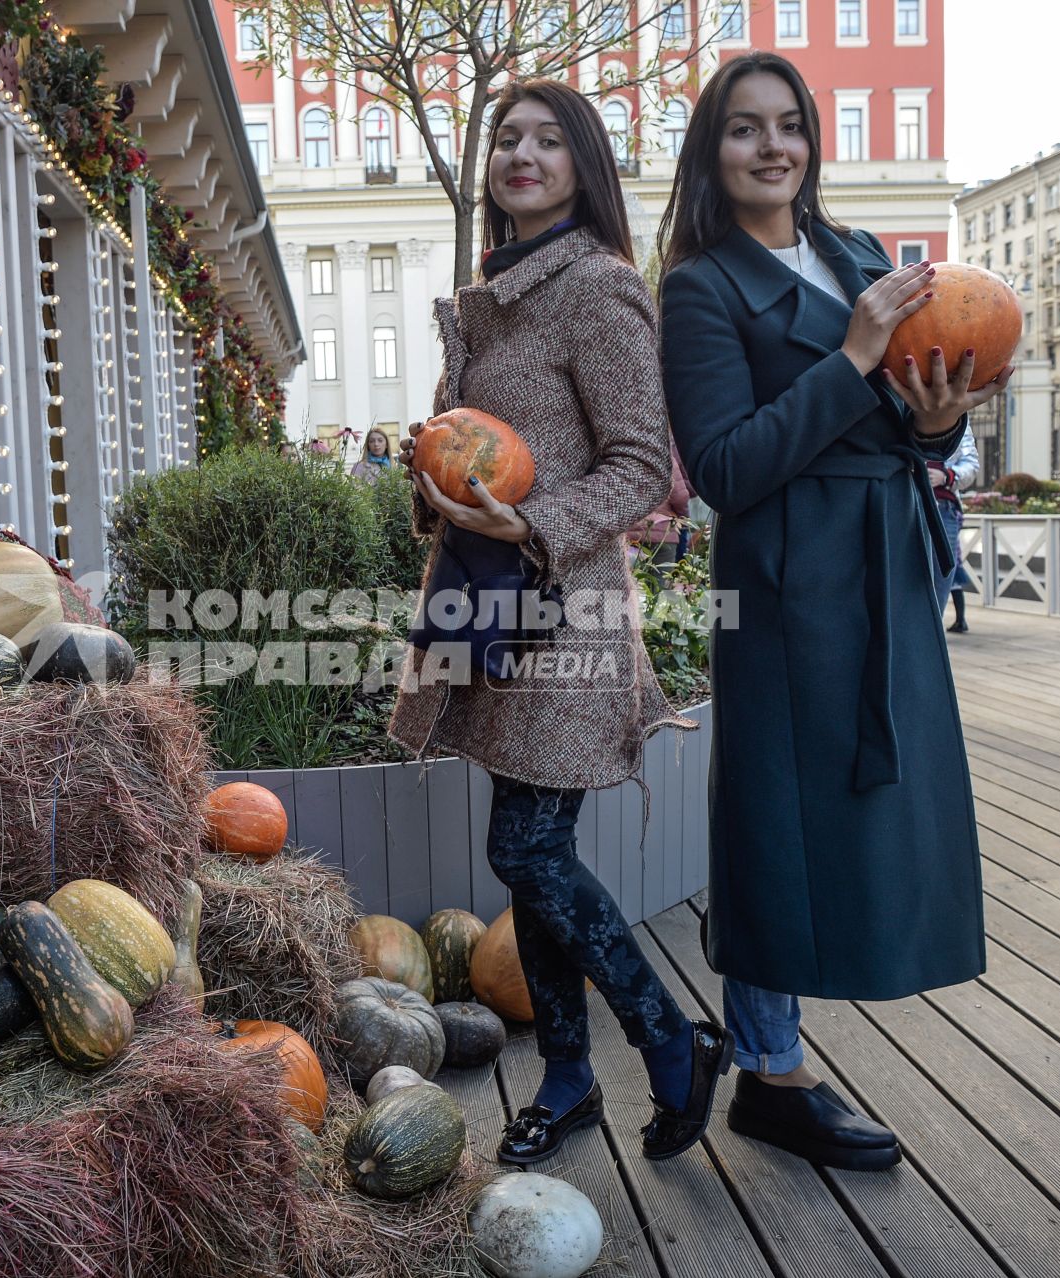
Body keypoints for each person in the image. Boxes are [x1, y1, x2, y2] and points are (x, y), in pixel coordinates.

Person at [657, 51, 1005, 1171]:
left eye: (791, 126)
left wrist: (940, 420)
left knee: (886, 802)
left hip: (888, 563)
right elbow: (723, 467)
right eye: (746, 128)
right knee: (774, 815)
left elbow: (915, 422)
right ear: (713, 151)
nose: (774, 147)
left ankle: (796, 1037)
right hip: (780, 576)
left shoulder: (857, 254)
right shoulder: (700, 286)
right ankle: (772, 1069)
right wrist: (853, 356)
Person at [388, 77, 729, 1169]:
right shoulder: (494, 293)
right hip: (494, 603)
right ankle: (570, 1080)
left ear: (584, 164)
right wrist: (435, 478)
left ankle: (667, 1037)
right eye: (507, 138)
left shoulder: (598, 288)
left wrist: (528, 517)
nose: (521, 154)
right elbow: (484, 448)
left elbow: (640, 470)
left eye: (547, 140)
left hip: (563, 608)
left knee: (523, 847)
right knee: (536, 860)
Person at [929, 428, 980, 632]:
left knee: (943, 573)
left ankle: (932, 637)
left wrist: (946, 476)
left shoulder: (959, 420)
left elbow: (971, 465)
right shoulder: (905, 406)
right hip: (903, 503)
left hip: (943, 508)